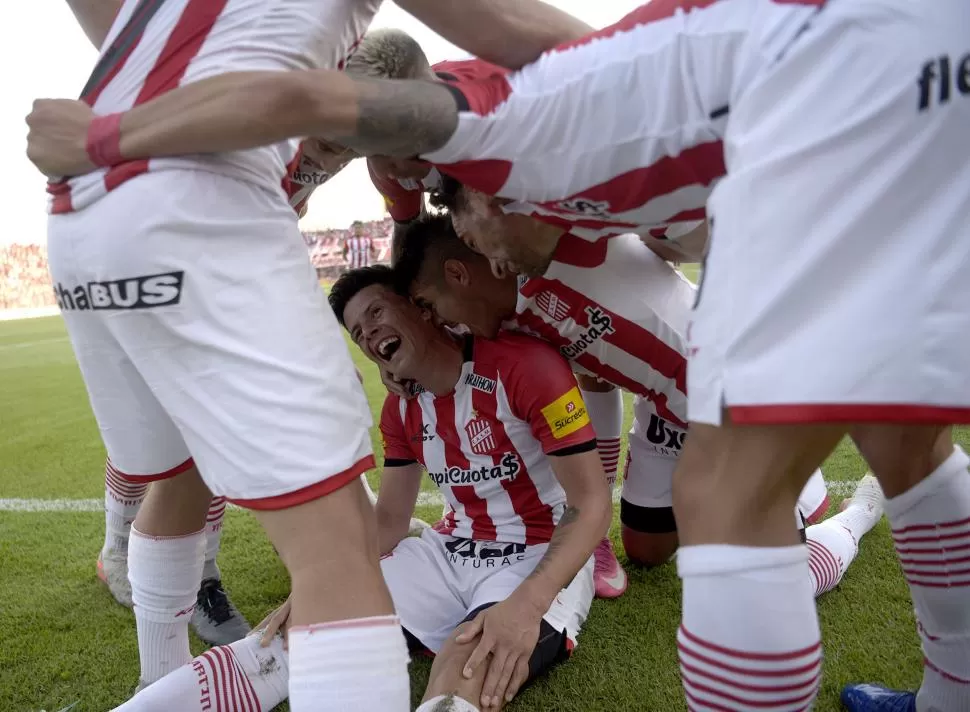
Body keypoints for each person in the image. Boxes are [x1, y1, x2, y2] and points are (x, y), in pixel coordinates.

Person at [27, 2, 970, 708]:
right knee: (889, 448)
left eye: (460, 227)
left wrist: (103, 135)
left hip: (851, 112)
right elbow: (400, 508)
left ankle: (842, 521)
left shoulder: (503, 125)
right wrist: (337, 582)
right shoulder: (490, 320)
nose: (456, 234)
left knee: (724, 506)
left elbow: (321, 93)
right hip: (870, 102)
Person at [114, 264, 610, 712]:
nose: (369, 333)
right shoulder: (401, 409)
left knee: (465, 666)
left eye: (376, 312)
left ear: (420, 308)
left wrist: (528, 604)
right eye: (358, 332)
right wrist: (324, 588)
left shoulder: (524, 367)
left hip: (535, 555)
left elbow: (591, 506)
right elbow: (392, 520)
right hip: (449, 552)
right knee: (289, 640)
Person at [395, 211, 886, 598]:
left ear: (458, 273)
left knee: (779, 584)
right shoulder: (504, 319)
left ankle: (855, 513)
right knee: (648, 552)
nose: (435, 321)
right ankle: (635, 529)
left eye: (429, 306)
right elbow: (594, 380)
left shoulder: (561, 246)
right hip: (664, 410)